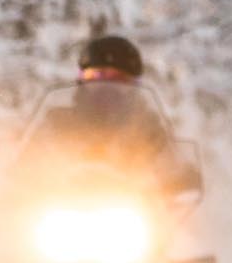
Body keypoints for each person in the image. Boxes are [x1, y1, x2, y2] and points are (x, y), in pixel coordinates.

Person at [18, 36, 201, 194]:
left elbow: (169, 168)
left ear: (133, 87)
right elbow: (26, 168)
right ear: (82, 79)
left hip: (134, 219)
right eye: (97, 76)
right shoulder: (57, 123)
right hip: (58, 214)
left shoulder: (148, 129)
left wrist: (180, 181)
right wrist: (23, 184)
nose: (105, 86)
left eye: (119, 79)